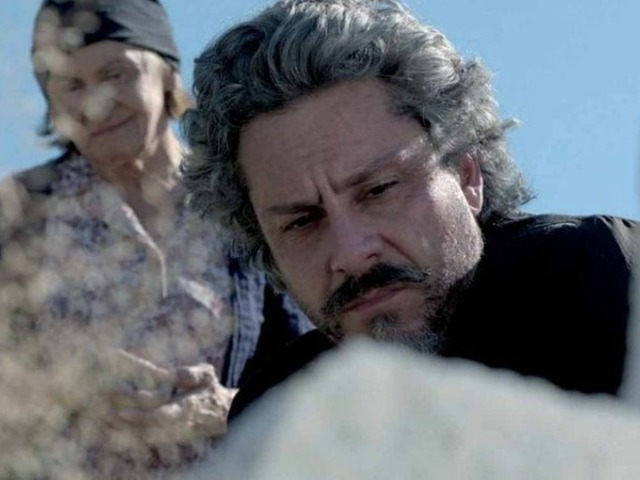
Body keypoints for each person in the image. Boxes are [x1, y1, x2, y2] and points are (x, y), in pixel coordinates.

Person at [180, 0, 639, 423]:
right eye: (302, 222)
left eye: (379, 190)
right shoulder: (283, 410)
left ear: (466, 174)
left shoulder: (602, 277)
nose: (352, 252)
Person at [0, 0, 311, 477]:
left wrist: (224, 407)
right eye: (71, 85)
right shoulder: (17, 212)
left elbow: (311, 380)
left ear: (167, 74)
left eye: (115, 74)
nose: (95, 101)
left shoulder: (242, 203)